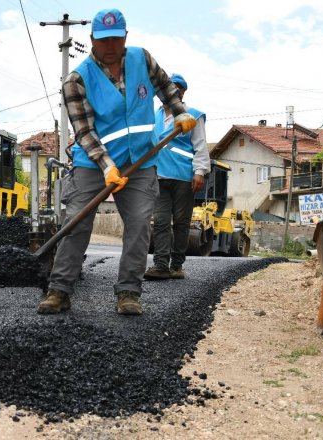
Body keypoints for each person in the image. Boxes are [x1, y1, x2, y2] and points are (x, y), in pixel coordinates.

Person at [37, 8, 197, 316]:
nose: (110, 46)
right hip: (92, 163)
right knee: (77, 223)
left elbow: (166, 86)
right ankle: (59, 289)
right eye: (103, 40)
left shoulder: (142, 59)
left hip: (140, 160)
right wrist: (107, 166)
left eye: (115, 39)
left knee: (138, 226)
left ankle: (128, 292)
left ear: (125, 37)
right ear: (92, 39)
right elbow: (84, 131)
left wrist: (180, 111)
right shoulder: (76, 80)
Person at [145, 73, 209, 280]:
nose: (172, 92)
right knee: (162, 221)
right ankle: (161, 265)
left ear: (182, 92)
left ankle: (177, 265)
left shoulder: (192, 115)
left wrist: (199, 172)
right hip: (158, 175)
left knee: (181, 222)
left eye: (176, 89)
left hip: (184, 176)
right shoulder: (152, 116)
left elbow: (200, 147)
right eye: (168, 89)